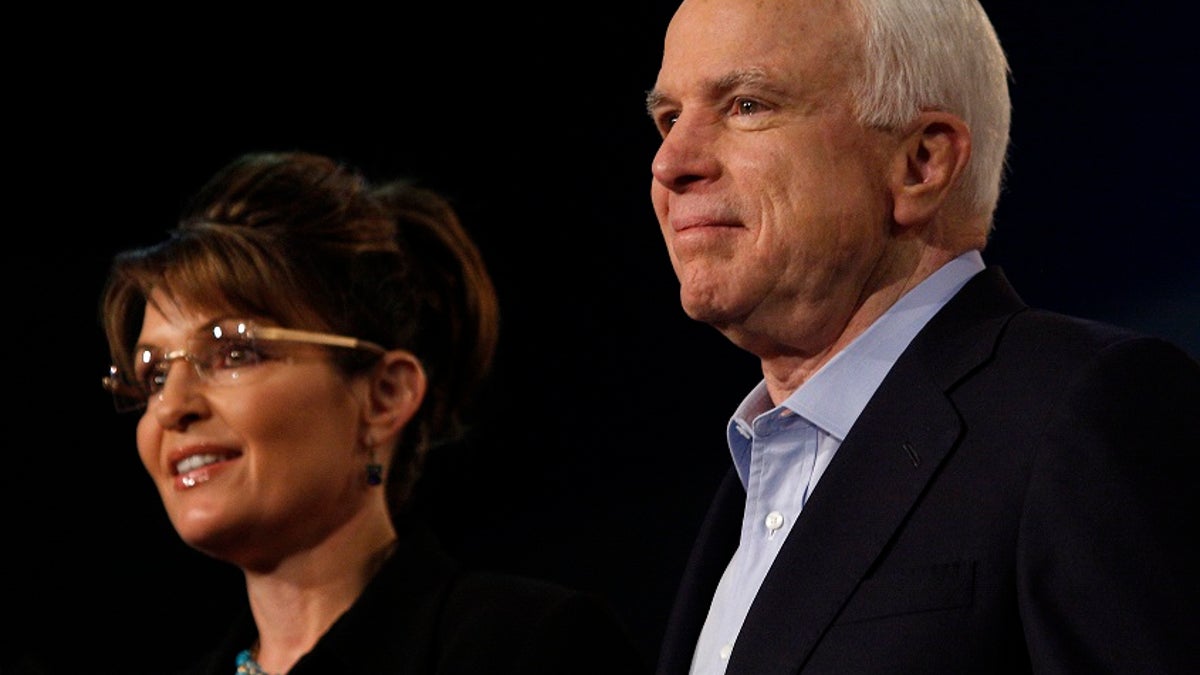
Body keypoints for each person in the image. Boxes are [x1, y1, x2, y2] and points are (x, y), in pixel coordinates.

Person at [644, 0, 1200, 673]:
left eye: (746, 105)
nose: (672, 162)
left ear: (921, 162)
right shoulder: (748, 483)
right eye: (669, 118)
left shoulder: (1085, 410)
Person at [98, 151, 649, 675]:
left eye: (233, 352)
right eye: (153, 375)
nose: (171, 407)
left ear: (385, 396)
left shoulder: (526, 648)